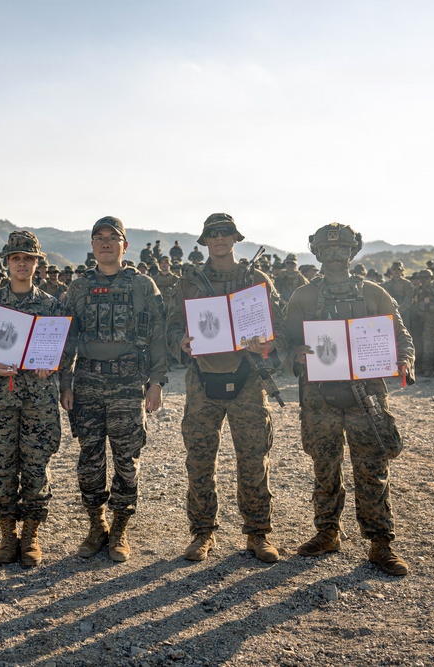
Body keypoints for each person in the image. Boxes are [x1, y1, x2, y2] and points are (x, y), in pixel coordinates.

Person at [284, 223, 415, 576]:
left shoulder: (373, 293)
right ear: (317, 252)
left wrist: (404, 361)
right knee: (325, 466)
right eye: (328, 250)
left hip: (366, 393)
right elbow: (284, 341)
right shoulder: (303, 297)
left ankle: (380, 543)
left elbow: (400, 334)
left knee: (372, 468)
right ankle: (327, 532)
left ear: (353, 251)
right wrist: (295, 353)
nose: (335, 254)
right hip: (319, 394)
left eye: (342, 248)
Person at [166, 213, 289, 563]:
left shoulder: (255, 279)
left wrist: (263, 344)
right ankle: (202, 533)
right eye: (213, 234)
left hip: (248, 378)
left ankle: (258, 534)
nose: (219, 239)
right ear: (205, 241)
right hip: (202, 378)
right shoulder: (190, 282)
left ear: (235, 238)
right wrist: (182, 342)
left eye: (226, 233)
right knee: (200, 459)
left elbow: (278, 327)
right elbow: (172, 325)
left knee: (253, 458)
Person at [60, 216, 168, 563]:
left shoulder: (142, 286)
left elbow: (157, 335)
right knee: (90, 460)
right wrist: (65, 382)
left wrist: (156, 382)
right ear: (92, 245)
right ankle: (96, 525)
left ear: (124, 244)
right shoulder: (78, 289)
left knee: (126, 458)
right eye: (99, 238)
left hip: (126, 382)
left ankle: (120, 528)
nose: (106, 243)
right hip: (87, 381)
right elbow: (65, 339)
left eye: (113, 237)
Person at [0, 231, 64, 567]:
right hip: (0, 402)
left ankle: (32, 535)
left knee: (37, 469)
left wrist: (51, 366)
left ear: (37, 263)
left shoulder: (51, 306)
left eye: (29, 258)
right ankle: (7, 535)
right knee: (1, 469)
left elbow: (63, 351)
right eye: (16, 258)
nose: (22, 264)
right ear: (6, 262)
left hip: (39, 400)